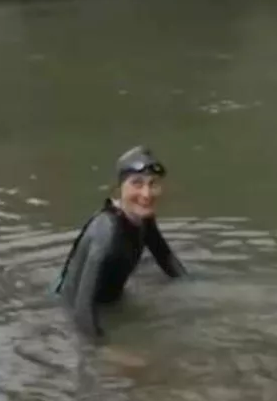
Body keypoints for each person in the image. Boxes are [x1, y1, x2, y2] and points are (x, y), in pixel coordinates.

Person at [53, 145, 187, 342]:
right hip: (68, 313)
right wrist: (109, 353)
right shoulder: (106, 232)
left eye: (153, 184)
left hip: (111, 303)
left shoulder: (142, 219)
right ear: (118, 189)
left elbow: (167, 260)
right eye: (137, 184)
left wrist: (201, 291)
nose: (146, 194)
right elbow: (81, 311)